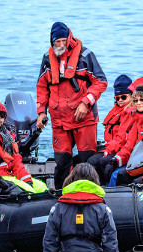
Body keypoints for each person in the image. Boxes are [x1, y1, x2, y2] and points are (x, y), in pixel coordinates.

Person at [36, 22, 108, 188]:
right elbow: (41, 86)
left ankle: (91, 195)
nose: (61, 45)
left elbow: (101, 82)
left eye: (63, 41)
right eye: (57, 42)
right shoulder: (47, 59)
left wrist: (86, 102)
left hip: (83, 118)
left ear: (69, 38)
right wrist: (41, 112)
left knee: (87, 161)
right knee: (61, 162)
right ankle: (60, 196)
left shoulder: (85, 55)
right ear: (51, 42)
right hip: (59, 120)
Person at [104, 85, 143, 185]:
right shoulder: (136, 120)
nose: (139, 103)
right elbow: (129, 147)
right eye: (136, 100)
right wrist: (115, 160)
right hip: (135, 159)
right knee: (106, 165)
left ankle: (111, 197)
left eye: (142, 100)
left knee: (117, 175)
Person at [86, 74, 133, 182]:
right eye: (117, 98)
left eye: (124, 97)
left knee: (95, 161)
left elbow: (122, 139)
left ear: (131, 95)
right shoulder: (115, 111)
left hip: (120, 149)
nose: (120, 100)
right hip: (111, 146)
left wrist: (107, 151)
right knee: (85, 158)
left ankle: (102, 188)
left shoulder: (131, 113)